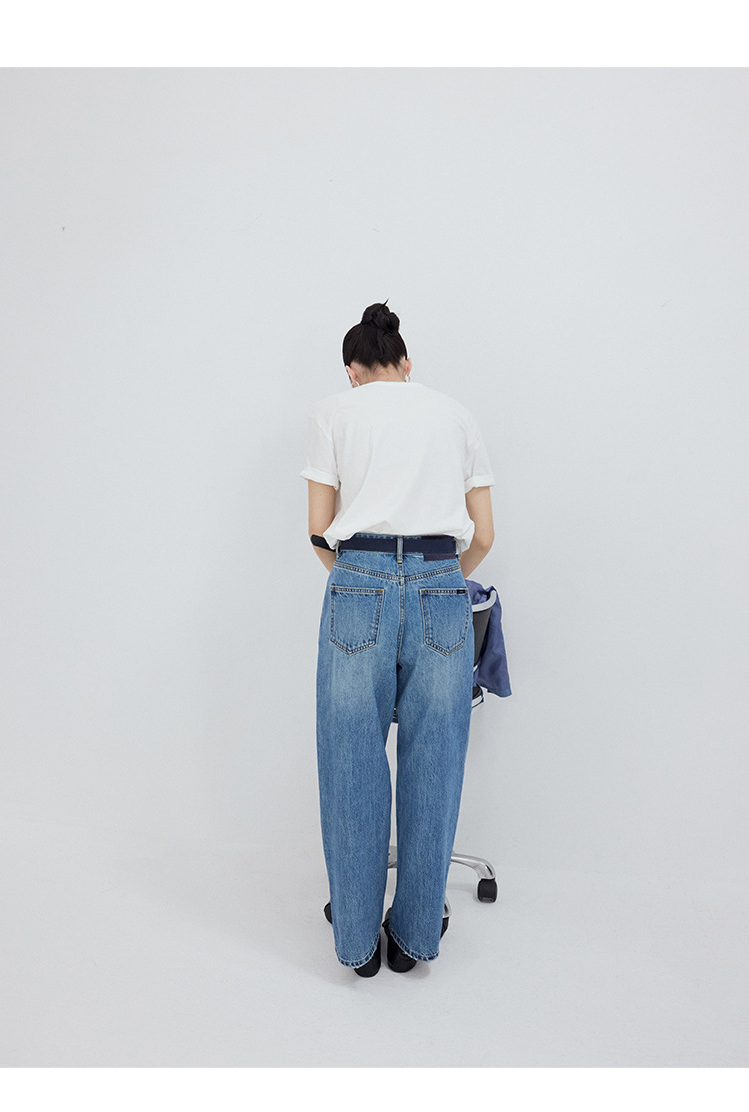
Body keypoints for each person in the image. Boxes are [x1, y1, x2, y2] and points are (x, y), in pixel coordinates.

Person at [300, 301, 495, 977]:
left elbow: (318, 530)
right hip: (443, 584)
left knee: (351, 758)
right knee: (435, 758)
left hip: (359, 581)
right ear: (406, 362)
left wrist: (363, 578)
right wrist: (438, 580)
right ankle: (414, 938)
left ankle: (357, 942)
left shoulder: (333, 412)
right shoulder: (456, 414)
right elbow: (485, 535)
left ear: (352, 371)